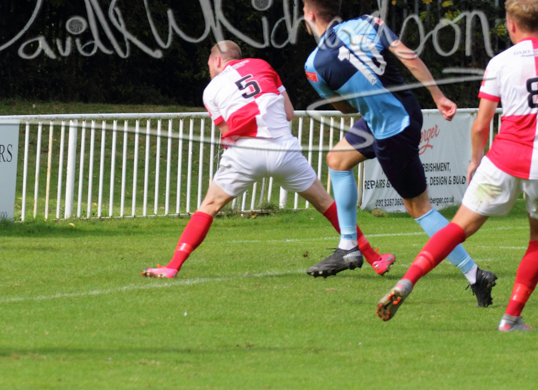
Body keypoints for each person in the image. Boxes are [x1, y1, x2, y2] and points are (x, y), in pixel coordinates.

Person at [376, 0, 538, 331]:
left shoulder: (500, 62)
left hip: (503, 159)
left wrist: (475, 160)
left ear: (511, 24)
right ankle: (511, 318)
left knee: (458, 228)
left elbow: (482, 124)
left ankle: (407, 281)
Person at [302, 0, 496, 305]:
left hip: (392, 129)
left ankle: (475, 274)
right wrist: (438, 96)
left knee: (420, 208)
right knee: (337, 159)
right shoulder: (368, 23)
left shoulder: (313, 66)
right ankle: (348, 246)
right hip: (402, 112)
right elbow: (409, 57)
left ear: (309, 15)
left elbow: (345, 108)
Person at [142, 41, 378, 278]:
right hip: (283, 148)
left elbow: (227, 131)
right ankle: (375, 258)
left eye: (209, 66)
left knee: (209, 206)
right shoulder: (262, 65)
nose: (210, 71)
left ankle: (172, 266)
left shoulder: (210, 90)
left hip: (246, 151)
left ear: (216, 60)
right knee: (325, 202)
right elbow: (289, 113)